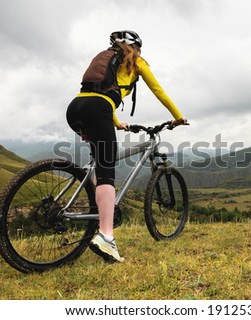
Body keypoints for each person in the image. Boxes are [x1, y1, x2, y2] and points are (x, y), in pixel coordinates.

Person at [66, 30, 186, 263]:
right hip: (97, 109)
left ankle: (96, 216)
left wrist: (115, 122)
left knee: (98, 165)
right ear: (137, 49)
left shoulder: (106, 59)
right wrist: (178, 117)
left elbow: (99, 92)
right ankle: (106, 237)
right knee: (107, 172)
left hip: (75, 108)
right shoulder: (137, 62)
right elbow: (158, 90)